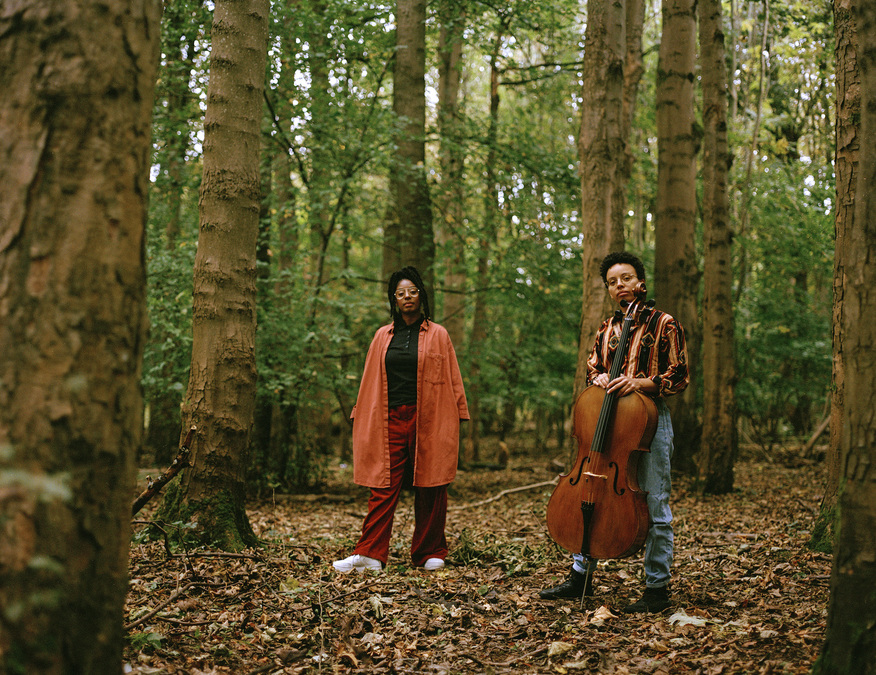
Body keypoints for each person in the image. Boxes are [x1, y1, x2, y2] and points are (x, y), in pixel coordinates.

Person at [539, 251, 689, 613]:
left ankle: (657, 588)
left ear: (641, 282)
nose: (619, 286)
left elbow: (678, 375)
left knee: (655, 504)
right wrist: (600, 378)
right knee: (590, 492)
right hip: (604, 422)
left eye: (626, 278)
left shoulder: (664, 323)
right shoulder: (607, 329)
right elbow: (593, 368)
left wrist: (639, 383)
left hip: (646, 423)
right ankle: (580, 577)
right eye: (612, 282)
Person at [333, 266, 469, 573]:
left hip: (429, 418)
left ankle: (429, 551)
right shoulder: (383, 336)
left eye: (412, 292)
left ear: (421, 296)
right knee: (382, 485)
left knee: (431, 483)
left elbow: (453, 378)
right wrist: (360, 414)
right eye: (400, 293)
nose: (407, 297)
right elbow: (369, 379)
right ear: (394, 300)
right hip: (388, 419)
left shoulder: (438, 334)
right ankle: (370, 553)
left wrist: (459, 413)